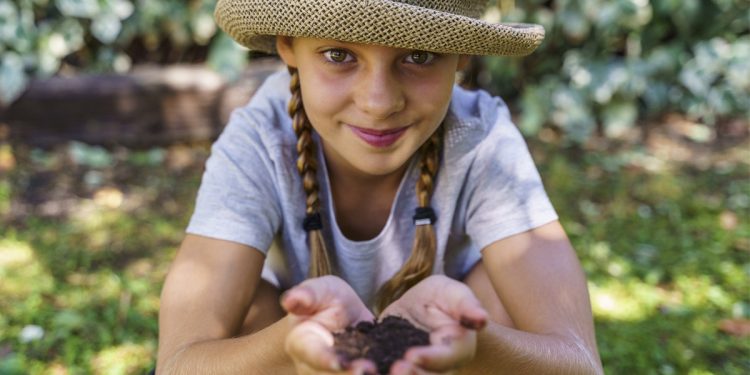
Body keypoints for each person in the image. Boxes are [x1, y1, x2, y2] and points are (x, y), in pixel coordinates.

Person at [156, 0, 604, 374]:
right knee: (247, 308)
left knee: (497, 297)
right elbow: (178, 362)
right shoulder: (261, 140)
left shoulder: (481, 140)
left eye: (419, 56)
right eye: (338, 55)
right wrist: (289, 340)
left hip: (448, 361)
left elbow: (579, 362)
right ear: (288, 47)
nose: (379, 102)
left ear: (461, 57)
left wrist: (477, 343)